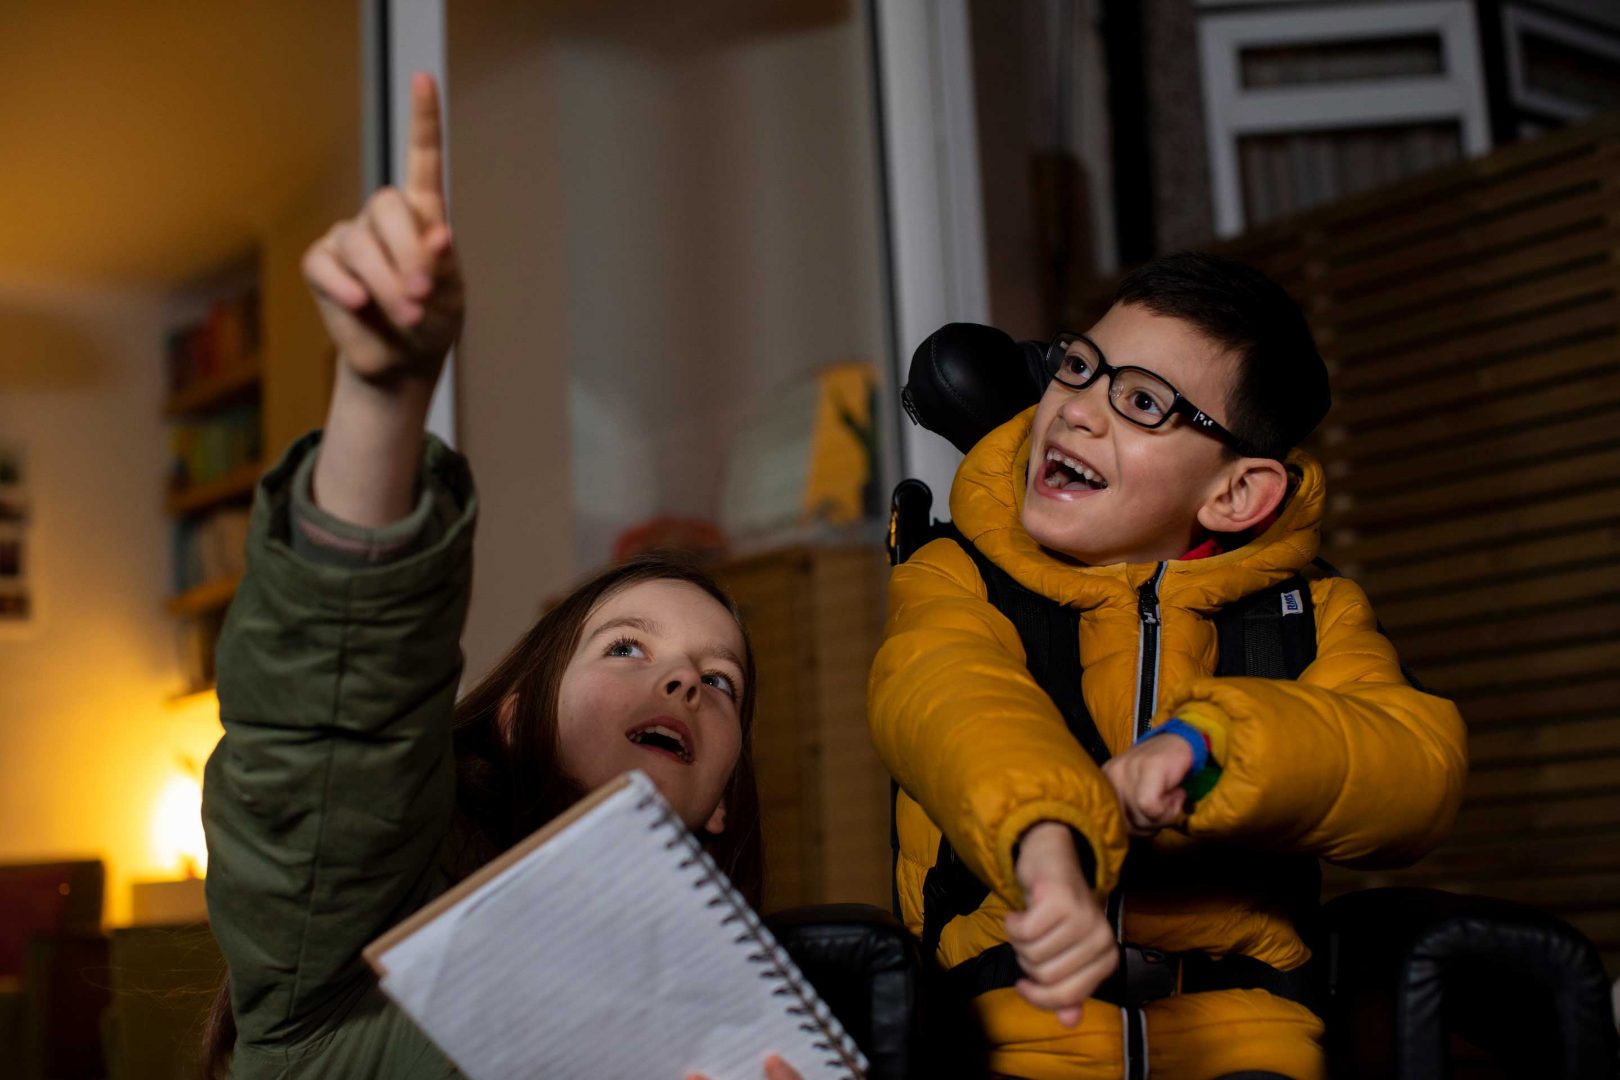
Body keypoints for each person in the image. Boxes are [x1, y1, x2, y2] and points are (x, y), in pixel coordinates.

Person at [200, 72, 798, 1080]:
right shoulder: (359, 962)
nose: (686, 681)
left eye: (721, 679)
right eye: (626, 648)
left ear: (725, 800)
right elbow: (328, 742)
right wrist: (383, 398)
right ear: (515, 713)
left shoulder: (756, 1033)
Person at [869, 253, 1468, 1080]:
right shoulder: (957, 576)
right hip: (1014, 1026)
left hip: (1249, 1039)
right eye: (1079, 367)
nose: (1077, 411)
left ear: (1235, 495)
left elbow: (1415, 767)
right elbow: (950, 695)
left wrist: (1209, 748)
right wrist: (1048, 840)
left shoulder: (1314, 617)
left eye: (1143, 401)